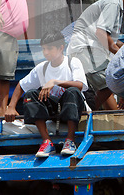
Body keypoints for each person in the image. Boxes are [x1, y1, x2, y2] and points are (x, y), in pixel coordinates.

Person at [5, 30, 87, 158]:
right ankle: (47, 141)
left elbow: (80, 85)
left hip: (73, 109)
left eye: (50, 48)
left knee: (73, 91)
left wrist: (55, 82)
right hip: (53, 112)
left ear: (61, 48)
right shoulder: (42, 67)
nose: (46, 52)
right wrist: (11, 106)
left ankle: (70, 140)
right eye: (43, 49)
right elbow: (21, 85)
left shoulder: (72, 62)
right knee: (31, 94)